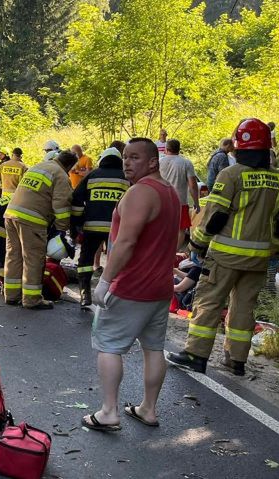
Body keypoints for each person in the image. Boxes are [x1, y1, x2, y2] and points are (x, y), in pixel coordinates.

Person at [168, 119, 279, 376]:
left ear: (239, 148)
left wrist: (197, 244)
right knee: (244, 308)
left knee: (208, 303)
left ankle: (196, 355)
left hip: (225, 256)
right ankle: (236, 360)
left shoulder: (231, 175)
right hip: (258, 259)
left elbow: (216, 216)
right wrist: (276, 250)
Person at [82, 138, 179, 432]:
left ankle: (109, 411)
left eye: (135, 157)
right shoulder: (170, 192)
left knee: (109, 346)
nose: (127, 162)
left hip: (131, 286)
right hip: (160, 287)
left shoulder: (140, 192)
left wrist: (105, 281)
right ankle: (148, 409)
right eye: (126, 156)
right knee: (153, 348)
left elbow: (126, 241)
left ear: (153, 161)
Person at [3, 150, 75, 310]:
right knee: (33, 258)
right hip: (32, 219)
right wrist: (61, 230)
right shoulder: (61, 175)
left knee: (14, 255)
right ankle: (32, 298)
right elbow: (61, 206)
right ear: (69, 165)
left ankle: (11, 295)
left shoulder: (39, 166)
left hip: (11, 214)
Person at [70, 147, 128, 307]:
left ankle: (85, 294)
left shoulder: (92, 175)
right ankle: (113, 297)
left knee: (86, 260)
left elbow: (76, 198)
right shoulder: (125, 178)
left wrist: (77, 222)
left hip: (92, 227)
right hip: (117, 230)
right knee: (117, 261)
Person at [158, 139, 199, 248]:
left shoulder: (159, 162)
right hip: (180, 202)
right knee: (180, 229)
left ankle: (162, 252)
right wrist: (196, 203)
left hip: (160, 201)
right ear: (179, 149)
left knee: (161, 228)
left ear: (166, 149)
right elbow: (193, 185)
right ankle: (174, 254)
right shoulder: (186, 163)